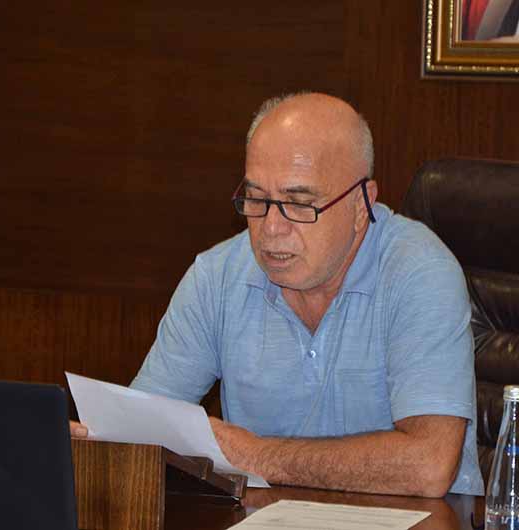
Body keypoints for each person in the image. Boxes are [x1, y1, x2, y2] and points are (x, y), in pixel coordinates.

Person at [72, 92, 483, 497]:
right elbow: (143, 433)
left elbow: (429, 466)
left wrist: (255, 455)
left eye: (298, 203)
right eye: (257, 199)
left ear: (362, 205)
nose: (271, 228)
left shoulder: (418, 272)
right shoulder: (217, 277)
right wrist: (92, 442)